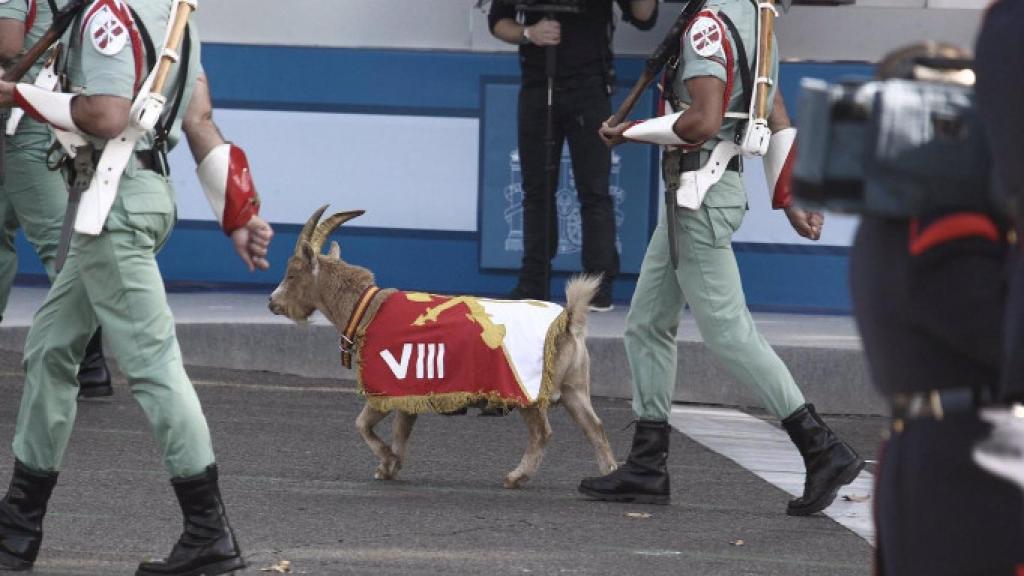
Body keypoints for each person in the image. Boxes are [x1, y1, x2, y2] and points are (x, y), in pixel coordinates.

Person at [0, 0, 273, 573]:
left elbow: (107, 114)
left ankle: (209, 534)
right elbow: (199, 120)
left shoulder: (106, 14)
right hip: (137, 198)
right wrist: (239, 214)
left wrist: (19, 95)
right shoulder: (174, 15)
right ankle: (15, 530)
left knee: (154, 367)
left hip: (113, 208)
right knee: (50, 349)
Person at [576, 0, 863, 516]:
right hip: (697, 196)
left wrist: (631, 131)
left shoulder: (708, 25)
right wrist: (787, 197)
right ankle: (647, 464)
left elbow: (702, 122)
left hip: (698, 196)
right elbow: (773, 109)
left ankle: (822, 448)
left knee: (729, 332)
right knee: (647, 326)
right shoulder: (758, 16)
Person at [843, 42, 1024, 575]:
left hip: (935, 460)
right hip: (974, 469)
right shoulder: (943, 223)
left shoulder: (893, 217)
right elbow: (1005, 340)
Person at [488, 0, 658, 311]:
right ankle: (533, 282)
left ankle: (598, 285)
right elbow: (498, 20)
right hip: (538, 85)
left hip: (590, 86)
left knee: (594, 190)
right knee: (536, 190)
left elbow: (644, 16)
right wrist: (528, 32)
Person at [0, 0, 112, 398]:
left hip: (23, 128)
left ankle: (89, 360)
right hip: (33, 120)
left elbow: (8, 42)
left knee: (59, 247)